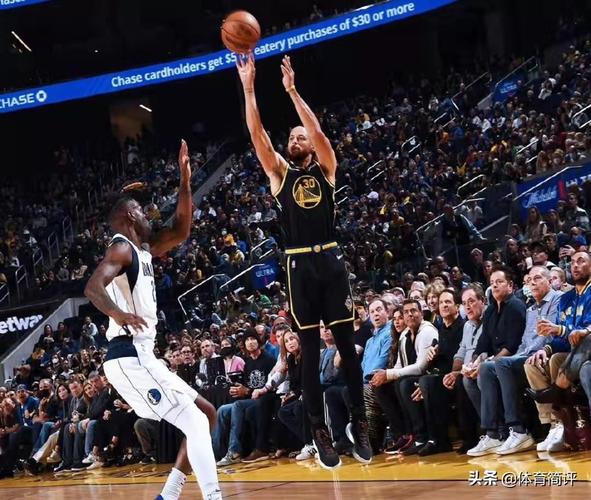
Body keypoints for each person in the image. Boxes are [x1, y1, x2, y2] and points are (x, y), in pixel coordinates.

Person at [236, 53, 371, 467]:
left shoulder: (326, 168)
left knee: (346, 347)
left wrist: (293, 91)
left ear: (310, 145)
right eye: (291, 138)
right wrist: (249, 87)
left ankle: (360, 421)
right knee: (309, 353)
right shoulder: (280, 174)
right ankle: (319, 430)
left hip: (330, 260)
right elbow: (257, 133)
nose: (295, 140)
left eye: (300, 137)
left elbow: (318, 132)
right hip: (297, 266)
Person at [83, 140, 221, 500]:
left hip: (145, 355)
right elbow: (93, 287)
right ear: (130, 216)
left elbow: (181, 229)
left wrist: (185, 181)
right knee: (195, 421)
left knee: (207, 414)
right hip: (127, 355)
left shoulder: (142, 250)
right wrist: (118, 313)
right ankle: (212, 496)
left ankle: (169, 495)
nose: (148, 215)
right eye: (141, 211)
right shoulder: (121, 248)